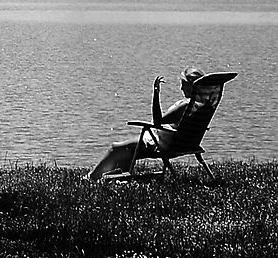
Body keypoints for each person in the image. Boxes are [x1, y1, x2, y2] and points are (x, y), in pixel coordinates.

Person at [87, 68, 233, 180]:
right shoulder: (204, 107)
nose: (181, 89)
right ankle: (119, 178)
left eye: (183, 85)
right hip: (185, 143)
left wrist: (156, 93)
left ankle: (91, 178)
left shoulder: (185, 106)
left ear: (191, 87)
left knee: (116, 148)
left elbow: (158, 121)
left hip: (163, 144)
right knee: (127, 149)